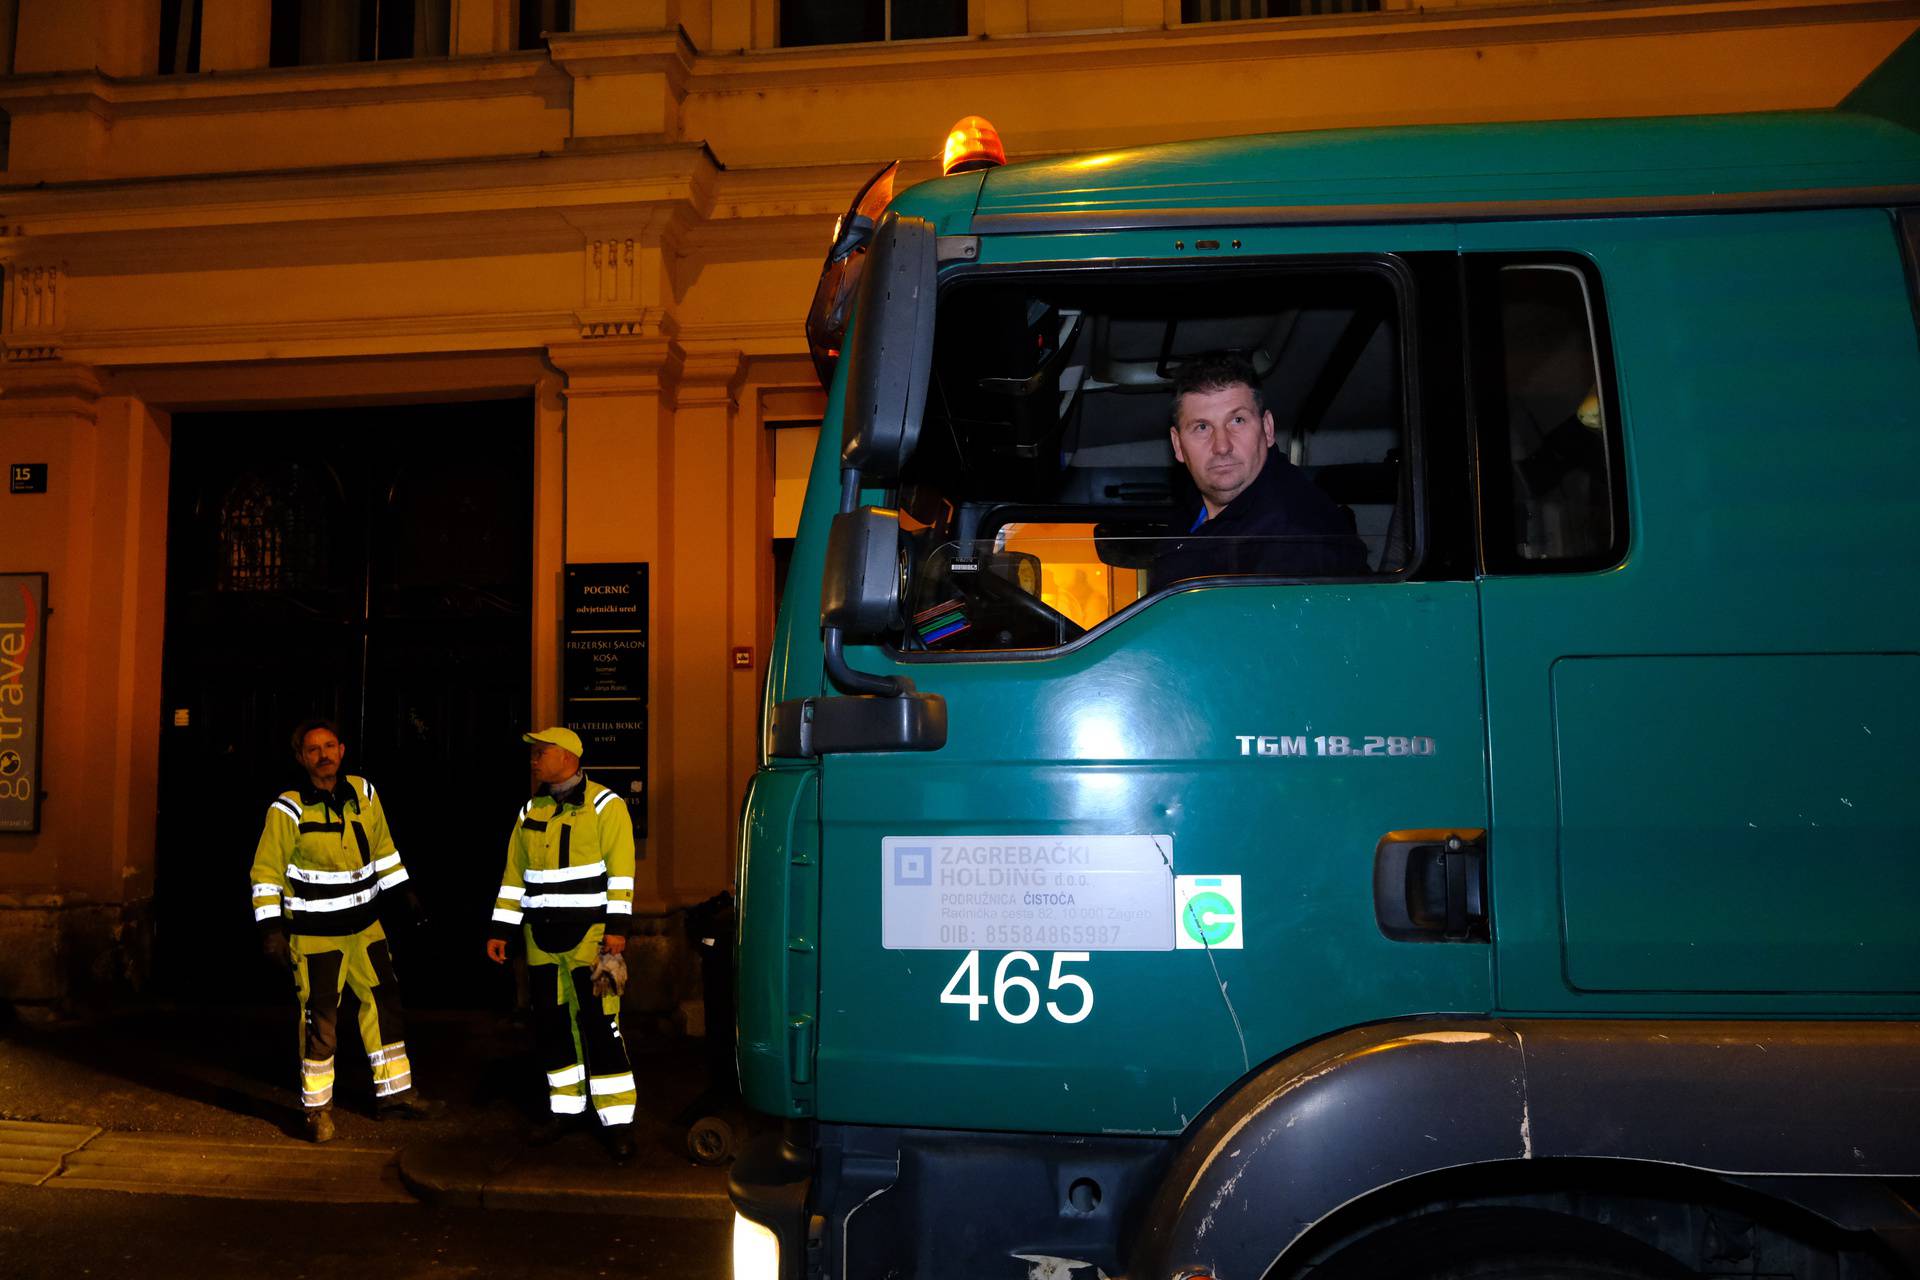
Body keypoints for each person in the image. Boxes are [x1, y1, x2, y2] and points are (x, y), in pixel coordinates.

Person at [250, 718, 438, 1143]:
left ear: (342, 750)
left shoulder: (364, 793)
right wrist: (271, 931)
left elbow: (385, 851)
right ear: (301, 758)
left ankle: (396, 1096)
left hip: (367, 929)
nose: (324, 755)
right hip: (317, 937)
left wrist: (405, 893)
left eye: (330, 746)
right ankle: (317, 1110)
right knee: (321, 1021)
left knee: (385, 1005)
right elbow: (265, 872)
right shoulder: (289, 808)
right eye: (313, 749)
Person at [487, 726, 639, 1162]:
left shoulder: (606, 805)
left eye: (542, 752)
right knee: (553, 1026)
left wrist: (617, 930)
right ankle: (566, 1110)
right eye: (534, 754)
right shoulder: (530, 809)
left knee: (602, 1026)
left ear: (569, 756)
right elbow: (514, 876)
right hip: (540, 938)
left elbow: (622, 872)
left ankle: (618, 1123)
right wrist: (502, 930)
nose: (535, 760)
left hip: (591, 937)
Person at [1149, 351, 1371, 591]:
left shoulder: (1294, 537)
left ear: (1267, 429)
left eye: (1237, 421)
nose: (1222, 446)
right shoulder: (1196, 508)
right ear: (1178, 445)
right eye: (1202, 427)